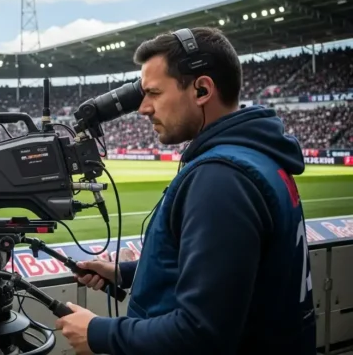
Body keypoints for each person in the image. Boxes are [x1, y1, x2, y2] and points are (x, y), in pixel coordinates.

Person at [55, 27, 316, 354]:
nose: (143, 108)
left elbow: (201, 334)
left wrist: (98, 333)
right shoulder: (257, 157)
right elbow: (231, 273)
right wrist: (124, 272)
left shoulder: (222, 179)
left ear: (202, 90)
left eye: (154, 93)